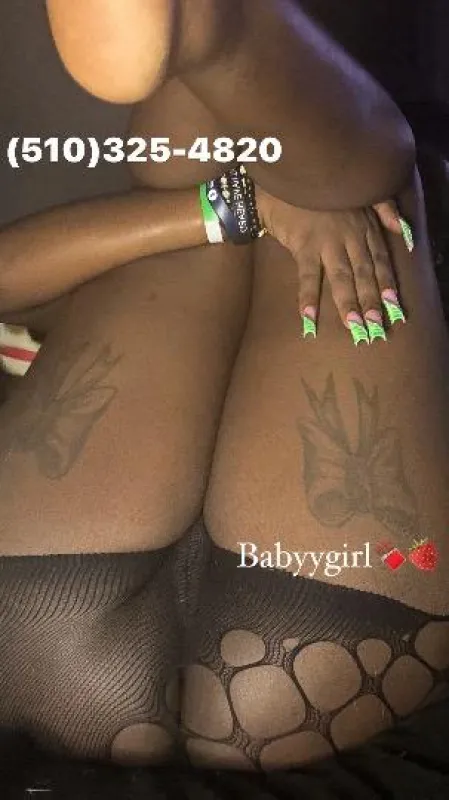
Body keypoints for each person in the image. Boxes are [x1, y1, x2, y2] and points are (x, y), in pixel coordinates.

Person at [1, 0, 449, 796]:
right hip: (320, 647)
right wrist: (256, 207)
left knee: (255, 188)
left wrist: (223, 213)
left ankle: (211, 38)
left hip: (46, 628)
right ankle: (211, 29)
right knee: (351, 208)